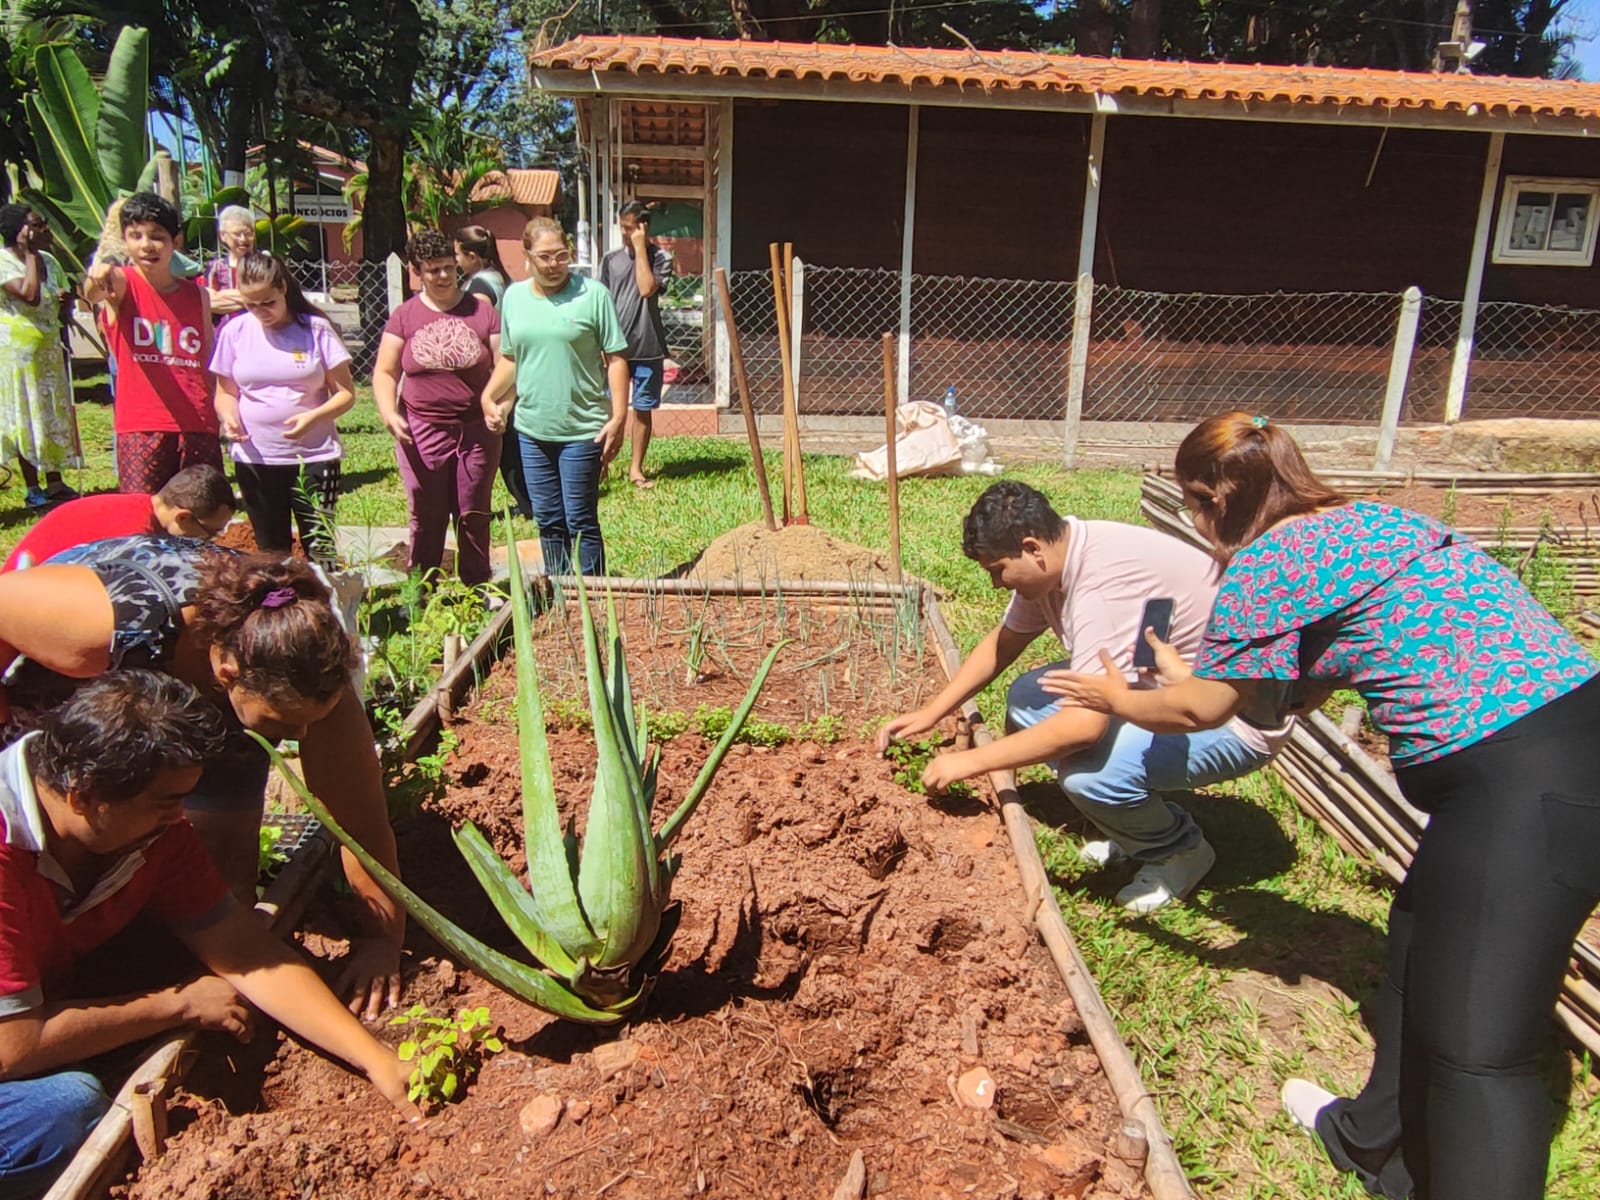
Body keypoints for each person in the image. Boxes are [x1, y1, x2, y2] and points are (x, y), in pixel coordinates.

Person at [1042, 413, 1600, 1200]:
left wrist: (1118, 695)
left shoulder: (1268, 560)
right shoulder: (1377, 522)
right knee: (1415, 941)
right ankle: (1374, 1141)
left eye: (1195, 506)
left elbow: (1205, 711)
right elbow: (1302, 679)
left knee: (1482, 1054)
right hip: (1570, 732)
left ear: (1213, 499)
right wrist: (1184, 674)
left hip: (1523, 781)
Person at [0, 671, 418, 1197]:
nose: (180, 816)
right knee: (63, 1110)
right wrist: (175, 1005)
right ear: (83, 795)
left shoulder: (150, 835)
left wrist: (374, 1056)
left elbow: (242, 948)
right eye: (163, 801)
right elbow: (13, 1046)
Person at [0, 540, 406, 1018]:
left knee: (220, 883)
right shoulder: (110, 623)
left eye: (309, 724)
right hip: (60, 697)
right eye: (281, 726)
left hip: (202, 716)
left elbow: (359, 821)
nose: (298, 738)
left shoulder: (308, 681)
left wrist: (382, 940)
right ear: (227, 672)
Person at [877, 480, 1291, 913]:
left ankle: (1178, 851)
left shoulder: (1101, 589)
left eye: (997, 569)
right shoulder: (1060, 559)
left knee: (1089, 777)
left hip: (1230, 718)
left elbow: (1084, 725)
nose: (997, 584)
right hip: (1164, 683)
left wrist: (970, 762)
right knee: (1028, 695)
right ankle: (1124, 818)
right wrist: (932, 712)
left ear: (1032, 548)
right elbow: (1004, 642)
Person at [482, 217, 628, 577]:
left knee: (580, 518)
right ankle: (561, 595)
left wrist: (619, 417)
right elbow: (513, 359)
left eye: (561, 256)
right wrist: (488, 397)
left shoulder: (593, 295)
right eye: (544, 256)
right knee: (547, 518)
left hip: (582, 428)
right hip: (532, 429)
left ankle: (592, 595)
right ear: (527, 255)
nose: (553, 265)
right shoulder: (514, 297)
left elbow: (617, 358)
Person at [374, 230, 501, 586]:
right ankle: (420, 592)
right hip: (421, 430)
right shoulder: (405, 315)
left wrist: (499, 403)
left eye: (448, 267)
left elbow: (507, 364)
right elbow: (385, 371)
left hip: (475, 432)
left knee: (472, 514)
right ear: (417, 272)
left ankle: (476, 590)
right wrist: (389, 412)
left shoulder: (482, 312)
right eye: (433, 270)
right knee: (426, 516)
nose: (443, 276)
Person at [212, 253, 352, 563]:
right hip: (256, 459)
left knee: (320, 548)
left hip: (314, 457)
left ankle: (325, 605)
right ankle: (279, 607)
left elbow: (345, 394)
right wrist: (228, 416)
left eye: (268, 302)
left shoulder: (315, 329)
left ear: (283, 290)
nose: (261, 312)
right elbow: (225, 392)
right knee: (271, 552)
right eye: (251, 304)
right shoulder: (234, 332)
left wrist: (313, 416)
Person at [82, 193, 221, 496]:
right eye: (136, 236)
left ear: (176, 241)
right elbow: (93, 293)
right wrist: (98, 272)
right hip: (142, 425)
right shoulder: (121, 283)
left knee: (199, 516)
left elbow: (208, 359)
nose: (146, 245)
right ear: (125, 240)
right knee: (143, 516)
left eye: (157, 237)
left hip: (197, 423)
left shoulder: (198, 296)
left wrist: (220, 409)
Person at [0, 205, 81, 511]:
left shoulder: (50, 261)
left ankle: (56, 481)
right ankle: (33, 486)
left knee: (50, 415)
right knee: (27, 416)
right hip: (17, 356)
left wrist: (65, 298)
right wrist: (30, 253)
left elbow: (54, 298)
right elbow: (30, 294)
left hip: (47, 350)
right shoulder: (4, 261)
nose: (46, 230)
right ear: (19, 231)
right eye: (37, 225)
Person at [4, 465, 234, 571]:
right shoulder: (135, 538)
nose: (210, 541)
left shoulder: (138, 505)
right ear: (183, 518)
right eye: (210, 533)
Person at [454, 224, 528, 520]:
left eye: (457, 254)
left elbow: (478, 327)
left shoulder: (480, 287)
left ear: (472, 256)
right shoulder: (500, 278)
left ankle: (527, 503)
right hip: (508, 369)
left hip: (493, 372)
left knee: (504, 445)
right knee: (511, 441)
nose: (456, 261)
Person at [597, 202, 673, 490]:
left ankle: (636, 469)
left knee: (642, 410)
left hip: (648, 347)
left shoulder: (661, 258)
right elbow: (601, 303)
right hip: (615, 350)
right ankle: (601, 465)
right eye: (623, 228)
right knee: (608, 409)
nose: (625, 234)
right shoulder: (610, 261)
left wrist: (641, 249)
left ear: (644, 227)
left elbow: (645, 288)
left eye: (631, 228)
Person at [201, 205, 259, 325]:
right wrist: (251, 298)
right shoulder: (215, 268)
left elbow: (266, 298)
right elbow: (210, 302)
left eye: (248, 233)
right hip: (223, 335)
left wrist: (222, 296)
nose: (243, 239)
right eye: (237, 234)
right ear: (223, 235)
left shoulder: (264, 265)